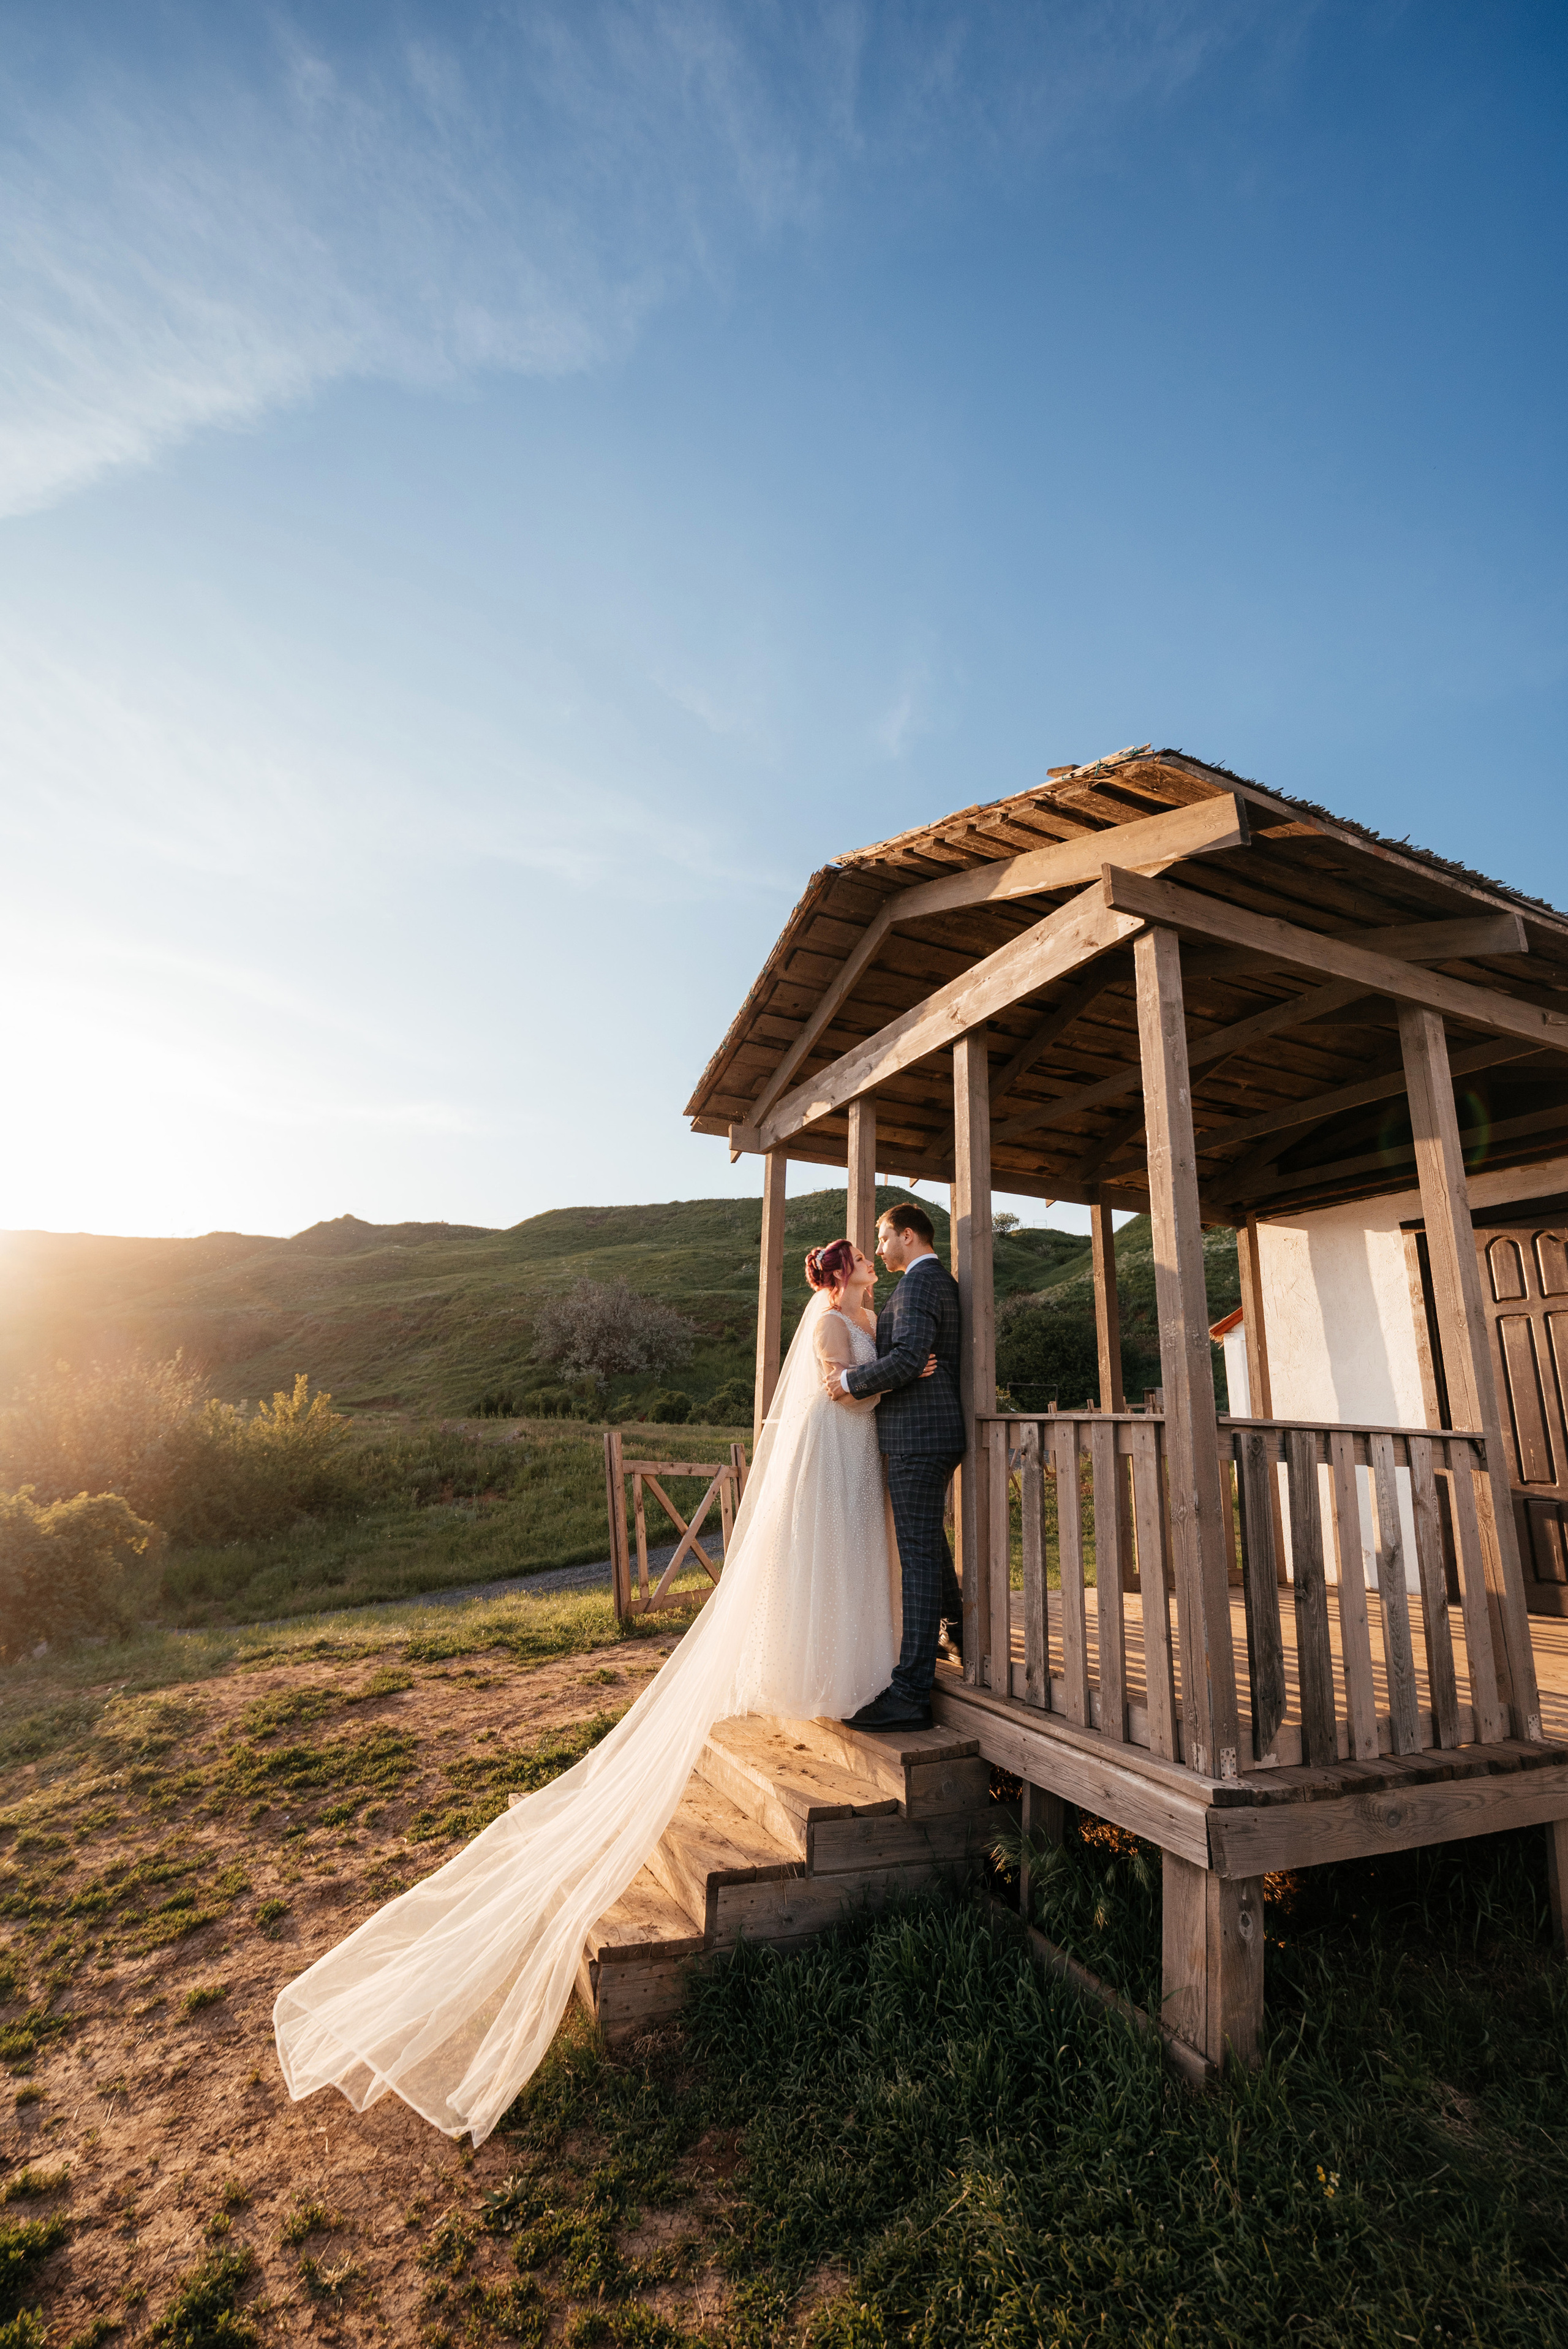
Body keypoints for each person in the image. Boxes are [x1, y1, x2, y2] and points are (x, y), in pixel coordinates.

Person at [273, 1237, 930, 2147]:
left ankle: (855, 1667)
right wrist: (891, 1372)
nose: (867, 1275)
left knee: (862, 1566)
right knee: (834, 1564)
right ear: (841, 1275)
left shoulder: (861, 1316)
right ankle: (837, 1670)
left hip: (862, 1465)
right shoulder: (826, 1324)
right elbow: (838, 1392)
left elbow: (881, 1361)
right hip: (838, 1459)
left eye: (865, 1266)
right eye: (860, 1266)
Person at [823, 1202, 965, 1732]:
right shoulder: (929, 1282)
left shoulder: (917, 1285)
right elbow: (911, 1359)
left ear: (908, 1236)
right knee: (929, 1543)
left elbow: (908, 1361)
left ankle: (910, 1692)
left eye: (883, 1239)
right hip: (927, 1432)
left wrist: (848, 1384)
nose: (879, 1249)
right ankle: (958, 1633)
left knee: (919, 1556)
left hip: (918, 1437)